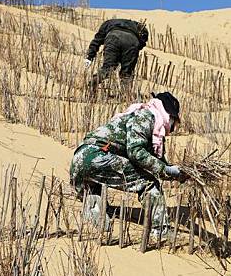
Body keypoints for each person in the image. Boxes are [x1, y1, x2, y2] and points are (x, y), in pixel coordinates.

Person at [70, 92, 185, 236]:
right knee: (148, 183)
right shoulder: (146, 117)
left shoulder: (137, 117)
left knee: (93, 188)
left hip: (80, 160)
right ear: (169, 115)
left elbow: (157, 162)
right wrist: (166, 169)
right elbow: (136, 151)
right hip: (98, 157)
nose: (173, 126)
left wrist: (177, 173)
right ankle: (161, 230)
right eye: (174, 120)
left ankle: (94, 210)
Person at [84, 19, 149, 87]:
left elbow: (96, 41)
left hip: (113, 37)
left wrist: (89, 56)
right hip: (132, 40)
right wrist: (135, 49)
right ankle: (125, 95)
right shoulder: (140, 26)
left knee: (108, 68)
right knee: (127, 74)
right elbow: (143, 40)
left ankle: (92, 83)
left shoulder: (108, 23)